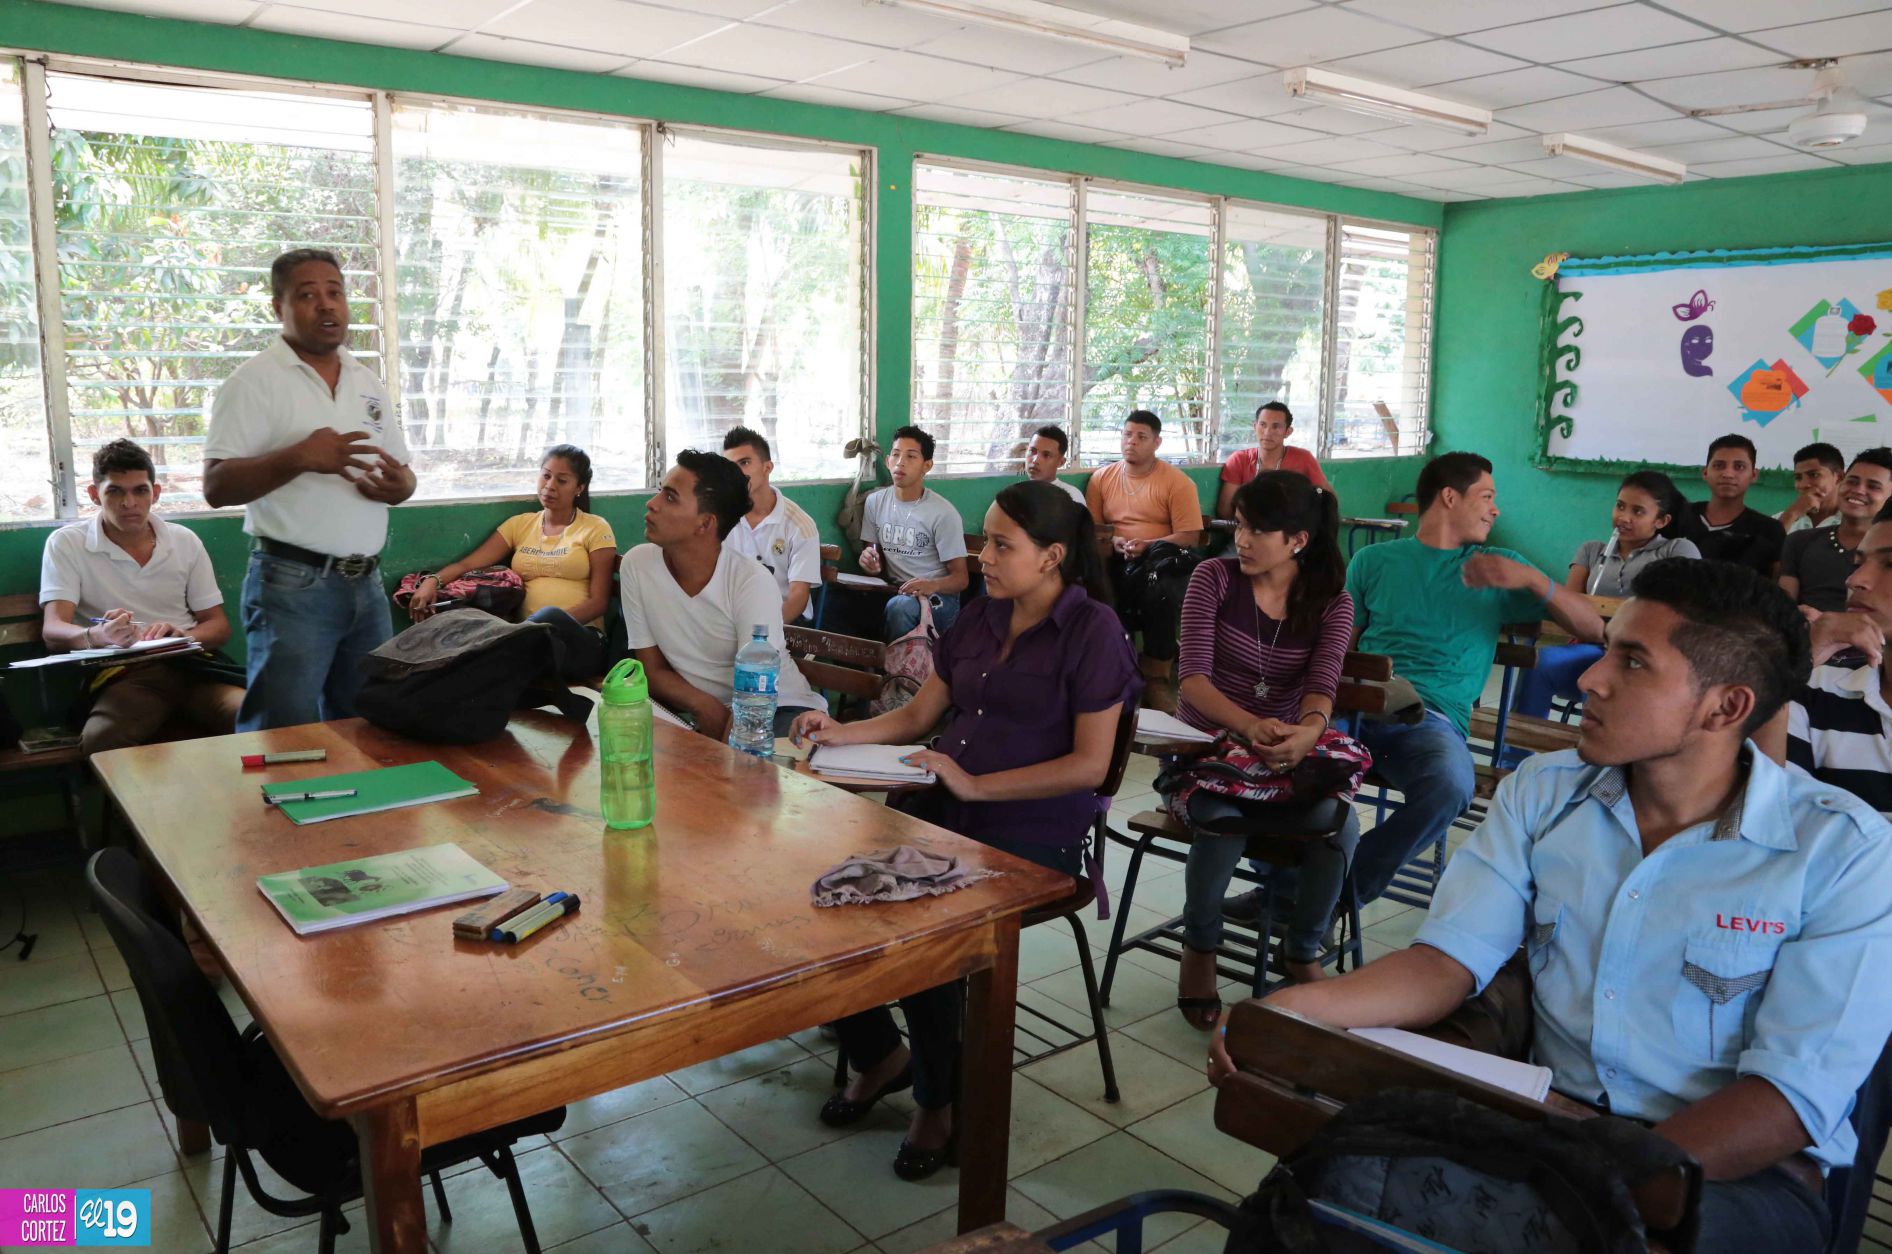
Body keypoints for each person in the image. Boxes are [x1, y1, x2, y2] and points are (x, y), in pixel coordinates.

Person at [1216, 558, 1892, 1254]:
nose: (1589, 679)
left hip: (1735, 1172)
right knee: (1312, 1201)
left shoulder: (1841, 853)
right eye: (1607, 650)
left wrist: (1590, 1175)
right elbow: (1447, 961)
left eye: (1631, 663)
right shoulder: (1545, 792)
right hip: (1544, 1121)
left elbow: (1787, 1100)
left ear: (1726, 707)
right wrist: (1291, 1013)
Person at [790, 481, 1137, 1180]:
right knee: (824, 882)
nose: (983, 555)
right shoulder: (981, 618)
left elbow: (1091, 764)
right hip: (949, 810)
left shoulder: (1091, 631)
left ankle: (939, 1100)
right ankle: (880, 1052)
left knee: (927, 927)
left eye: (1002, 544)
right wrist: (840, 730)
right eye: (985, 539)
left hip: (1035, 831)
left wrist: (977, 784)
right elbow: (920, 717)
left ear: (1052, 557)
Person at [1345, 452, 1604, 903]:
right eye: (1486, 496)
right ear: (1450, 497)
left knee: (1450, 787)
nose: (1495, 508)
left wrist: (1531, 578)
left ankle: (1332, 892)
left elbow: (1593, 628)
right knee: (1288, 764)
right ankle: (1289, 889)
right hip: (1356, 706)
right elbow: (1341, 648)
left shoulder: (1497, 566)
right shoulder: (1373, 560)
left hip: (1429, 720)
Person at [203, 248, 415, 730]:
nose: (326, 305)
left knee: (368, 727)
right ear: (278, 308)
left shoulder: (366, 382)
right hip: (292, 585)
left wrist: (400, 486)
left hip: (368, 585)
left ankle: (360, 810)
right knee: (284, 735)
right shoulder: (253, 382)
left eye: (335, 293)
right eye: (308, 295)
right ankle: (271, 810)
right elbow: (215, 485)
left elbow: (402, 476)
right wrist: (300, 456)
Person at [1173, 471, 1356, 1013]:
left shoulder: (1330, 602)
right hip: (1204, 752)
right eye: (1241, 527)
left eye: (1258, 532)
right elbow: (1192, 681)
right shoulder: (1214, 579)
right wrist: (1248, 726)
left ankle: (1300, 949)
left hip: (1278, 758)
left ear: (1298, 540)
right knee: (1225, 823)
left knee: (1341, 827)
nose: (1243, 541)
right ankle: (1199, 946)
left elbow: (1322, 686)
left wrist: (1308, 733)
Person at [38, 439, 242, 754]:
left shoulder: (183, 541)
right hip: (128, 675)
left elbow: (218, 627)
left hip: (191, 666)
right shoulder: (67, 544)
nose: (129, 502)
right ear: (95, 495)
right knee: (102, 743)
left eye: (140, 490)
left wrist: (183, 636)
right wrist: (98, 635)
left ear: (155, 493)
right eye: (115, 491)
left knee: (254, 717)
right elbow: (53, 630)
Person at [621, 449, 825, 740]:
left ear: (705, 524)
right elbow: (651, 669)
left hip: (777, 709)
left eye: (670, 497)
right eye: (659, 493)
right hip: (694, 708)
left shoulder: (750, 582)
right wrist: (703, 704)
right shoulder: (637, 565)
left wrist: (723, 729)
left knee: (748, 772)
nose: (652, 504)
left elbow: (756, 692)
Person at [405, 445, 614, 679]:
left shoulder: (595, 528)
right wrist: (432, 581)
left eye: (562, 480)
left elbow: (598, 602)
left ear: (579, 488)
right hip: (528, 645)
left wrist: (539, 628)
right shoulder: (519, 525)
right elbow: (467, 565)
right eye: (546, 475)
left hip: (579, 640)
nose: (550, 486)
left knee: (551, 616)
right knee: (468, 626)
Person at [1510, 470, 1700, 720]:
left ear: (1661, 521)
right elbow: (1569, 605)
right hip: (1591, 648)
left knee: (1614, 680)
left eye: (1638, 511)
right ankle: (1516, 755)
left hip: (1643, 657)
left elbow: (1683, 609)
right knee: (1538, 664)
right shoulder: (1591, 551)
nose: (1624, 517)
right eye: (1620, 506)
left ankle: (1604, 753)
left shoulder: (1676, 550)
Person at [1767, 499, 1892, 817]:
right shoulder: (1813, 688)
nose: (1855, 580)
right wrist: (1797, 664)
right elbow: (1776, 817)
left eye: (1890, 564)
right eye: (1858, 562)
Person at [1086, 410, 1207, 696]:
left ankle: (1157, 675)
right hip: (1114, 555)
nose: (1132, 442)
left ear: (1157, 442)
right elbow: (1093, 529)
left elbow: (1189, 535)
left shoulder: (1177, 482)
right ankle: (1110, 668)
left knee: (1160, 590)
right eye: (1127, 435)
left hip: (1159, 559)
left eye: (1141, 437)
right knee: (1091, 583)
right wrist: (1115, 541)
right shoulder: (1101, 479)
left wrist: (1148, 544)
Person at [858, 424, 969, 639]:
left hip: (939, 597)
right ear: (888, 460)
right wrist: (869, 561)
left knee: (901, 608)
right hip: (893, 589)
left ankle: (900, 673)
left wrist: (931, 584)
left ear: (927, 465)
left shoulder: (943, 513)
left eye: (911, 456)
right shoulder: (874, 502)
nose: (901, 462)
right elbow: (872, 551)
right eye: (896, 455)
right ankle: (863, 671)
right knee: (834, 601)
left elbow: (961, 579)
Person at [722, 426, 822, 624]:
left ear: (767, 467)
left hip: (786, 619)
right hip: (736, 616)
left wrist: (765, 631)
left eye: (744, 463)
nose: (736, 473)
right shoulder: (722, 517)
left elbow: (798, 597)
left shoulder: (800, 526)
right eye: (731, 466)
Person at [1779, 448, 1892, 615]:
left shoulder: (1885, 553)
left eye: (1873, 486)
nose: (1859, 490)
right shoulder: (1799, 541)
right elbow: (1783, 608)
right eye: (1852, 481)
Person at [1215, 402, 1331, 518]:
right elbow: (1225, 510)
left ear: (1288, 432)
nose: (1267, 432)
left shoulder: (1303, 459)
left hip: (1291, 531)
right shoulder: (1239, 460)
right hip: (1249, 530)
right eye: (1263, 425)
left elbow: (1325, 494)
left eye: (1275, 426)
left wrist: (1311, 494)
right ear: (1255, 427)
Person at [1692, 433, 1785, 579]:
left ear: (1753, 475)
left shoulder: (1769, 530)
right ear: (1705, 472)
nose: (1728, 474)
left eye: (1739, 467)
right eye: (1719, 466)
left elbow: (1775, 590)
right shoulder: (1679, 516)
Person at [1778, 441, 1844, 534]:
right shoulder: (1783, 518)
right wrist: (1792, 514)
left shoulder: (1854, 522)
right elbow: (1764, 547)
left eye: (1814, 475)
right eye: (1798, 477)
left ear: (1839, 477)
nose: (1804, 484)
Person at [1023, 424, 1086, 506]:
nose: (1035, 460)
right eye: (1032, 451)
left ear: (1061, 462)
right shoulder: (1017, 494)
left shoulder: (1072, 497)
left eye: (1046, 455)